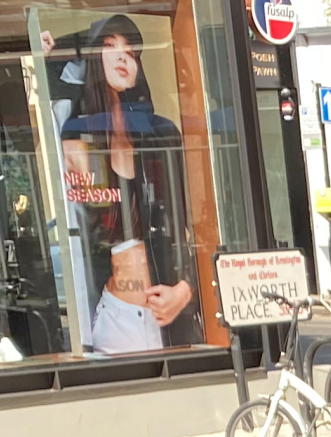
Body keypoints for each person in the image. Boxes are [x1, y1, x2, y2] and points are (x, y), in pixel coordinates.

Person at [59, 14, 199, 349]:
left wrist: (186, 290)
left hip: (171, 313)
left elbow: (195, 226)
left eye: (131, 51)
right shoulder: (79, 135)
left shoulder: (161, 135)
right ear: (95, 58)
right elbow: (84, 237)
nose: (122, 56)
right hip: (118, 318)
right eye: (110, 46)